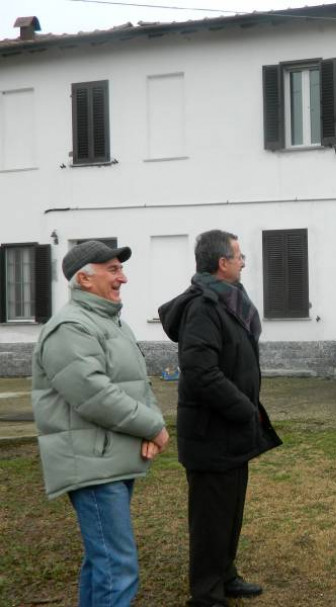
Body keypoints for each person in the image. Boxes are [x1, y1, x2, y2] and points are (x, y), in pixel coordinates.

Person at [31, 240, 170, 606]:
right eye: (112, 269)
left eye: (120, 268)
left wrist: (151, 423)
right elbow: (94, 395)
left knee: (103, 564)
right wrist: (152, 427)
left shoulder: (111, 323)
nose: (122, 277)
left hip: (109, 459)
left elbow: (138, 383)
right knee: (118, 569)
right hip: (91, 464)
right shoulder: (69, 328)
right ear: (84, 278)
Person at [159, 229, 282, 607]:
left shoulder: (229, 301)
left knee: (229, 511)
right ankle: (206, 594)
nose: (244, 262)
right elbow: (200, 372)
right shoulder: (204, 307)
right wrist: (244, 408)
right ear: (222, 263)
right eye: (239, 256)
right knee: (210, 518)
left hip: (231, 432)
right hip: (211, 434)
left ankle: (225, 575)